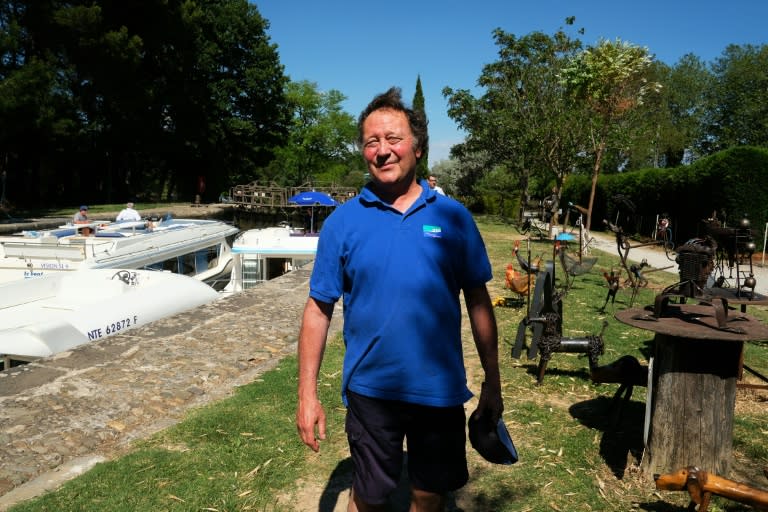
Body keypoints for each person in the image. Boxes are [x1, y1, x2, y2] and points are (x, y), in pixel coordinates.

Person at [296, 87, 503, 512]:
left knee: (428, 496)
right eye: (372, 142)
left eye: (393, 139)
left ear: (417, 148)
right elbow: (318, 309)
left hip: (439, 390)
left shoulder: (453, 217)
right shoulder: (342, 223)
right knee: (369, 497)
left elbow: (479, 302)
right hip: (372, 390)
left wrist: (493, 382)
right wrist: (307, 394)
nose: (383, 151)